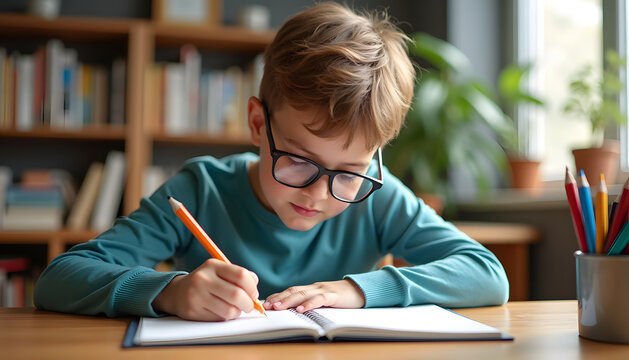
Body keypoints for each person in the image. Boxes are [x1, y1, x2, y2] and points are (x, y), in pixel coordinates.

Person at [34, 2, 508, 321]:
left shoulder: (375, 198)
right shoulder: (200, 191)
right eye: (300, 162)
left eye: (350, 171)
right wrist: (170, 291)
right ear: (259, 125)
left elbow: (487, 275)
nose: (320, 194)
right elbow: (58, 280)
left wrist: (358, 292)